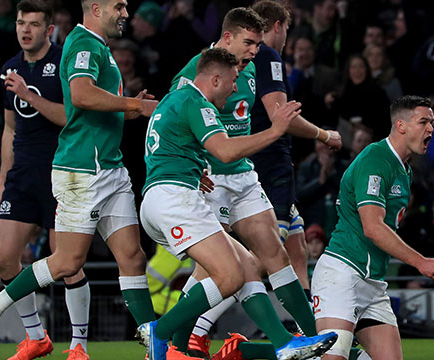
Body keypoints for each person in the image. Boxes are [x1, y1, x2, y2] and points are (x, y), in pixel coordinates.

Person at [0, 1, 159, 359]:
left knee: (132, 257)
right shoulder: (83, 43)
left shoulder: (98, 47)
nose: (126, 13)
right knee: (67, 262)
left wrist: (127, 105)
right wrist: (134, 106)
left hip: (110, 168)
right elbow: (81, 97)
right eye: (119, 6)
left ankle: (155, 346)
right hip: (81, 170)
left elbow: (87, 108)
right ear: (97, 8)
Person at [137, 47, 337, 360]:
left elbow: (165, 148)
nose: (235, 88)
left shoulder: (173, 99)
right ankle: (160, 332)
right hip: (176, 200)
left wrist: (191, 169)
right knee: (228, 276)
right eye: (232, 80)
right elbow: (227, 152)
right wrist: (275, 130)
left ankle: (283, 343)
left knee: (244, 267)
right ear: (214, 79)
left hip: (163, 196)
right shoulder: (195, 101)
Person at [311, 95, 434, 360]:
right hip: (342, 274)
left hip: (372, 283)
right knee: (334, 357)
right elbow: (373, 228)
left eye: (432, 123)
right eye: (423, 121)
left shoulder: (404, 170)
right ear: (401, 125)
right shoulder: (376, 159)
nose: (431, 129)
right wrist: (421, 262)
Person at [0, 1, 90, 359]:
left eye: (34, 24)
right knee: (5, 258)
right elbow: (9, 128)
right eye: (21, 23)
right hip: (22, 175)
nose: (25, 30)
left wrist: (27, 94)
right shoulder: (11, 69)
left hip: (62, 172)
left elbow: (72, 117)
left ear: (49, 29)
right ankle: (36, 336)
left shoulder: (65, 62)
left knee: (65, 261)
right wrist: (3, 182)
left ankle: (79, 344)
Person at [249, 0, 342, 302]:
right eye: (287, 29)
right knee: (267, 253)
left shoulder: (236, 57)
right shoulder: (267, 55)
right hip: (270, 162)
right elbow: (280, 116)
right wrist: (324, 134)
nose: (286, 36)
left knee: (296, 249)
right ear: (277, 25)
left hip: (251, 159)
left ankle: (309, 329)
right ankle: (190, 322)